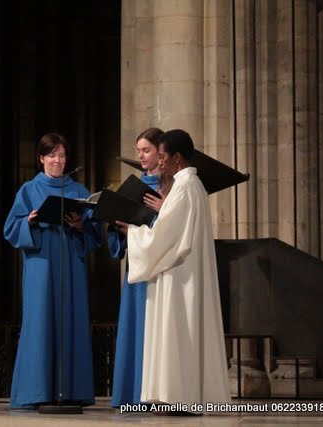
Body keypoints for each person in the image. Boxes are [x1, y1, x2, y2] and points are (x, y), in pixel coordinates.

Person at [117, 129, 230, 411]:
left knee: (178, 329)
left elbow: (164, 236)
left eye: (164, 156)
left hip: (180, 277)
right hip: (182, 272)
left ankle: (179, 396)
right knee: (181, 332)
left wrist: (133, 231)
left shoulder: (185, 186)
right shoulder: (192, 185)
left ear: (177, 158)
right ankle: (181, 395)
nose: (161, 162)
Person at [3, 132, 103, 409]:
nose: (57, 160)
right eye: (52, 155)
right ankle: (36, 392)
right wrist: (31, 221)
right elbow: (11, 229)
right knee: (40, 323)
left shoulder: (80, 192)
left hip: (71, 264)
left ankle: (72, 391)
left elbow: (95, 234)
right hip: (41, 266)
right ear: (41, 158)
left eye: (61, 155)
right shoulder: (28, 190)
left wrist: (81, 227)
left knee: (71, 320)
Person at [108, 127, 165, 408]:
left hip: (159, 269)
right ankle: (132, 393)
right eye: (139, 150)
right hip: (136, 266)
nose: (141, 156)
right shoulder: (134, 186)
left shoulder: (171, 187)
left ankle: (155, 393)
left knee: (155, 328)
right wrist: (119, 228)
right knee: (135, 326)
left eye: (146, 150)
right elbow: (118, 228)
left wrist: (163, 210)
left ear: (160, 152)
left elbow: (174, 227)